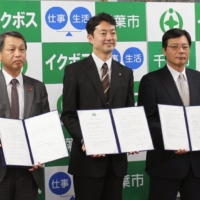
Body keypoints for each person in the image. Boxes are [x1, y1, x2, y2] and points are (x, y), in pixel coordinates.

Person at [61, 12, 135, 200]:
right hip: (87, 163)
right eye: (103, 33)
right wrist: (85, 141)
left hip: (116, 162)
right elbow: (68, 115)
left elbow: (128, 112)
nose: (109, 37)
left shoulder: (125, 72)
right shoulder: (74, 71)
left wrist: (132, 137)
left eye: (113, 32)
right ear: (90, 38)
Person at [138, 28, 200, 200]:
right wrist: (173, 141)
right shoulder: (151, 81)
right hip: (165, 163)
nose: (181, 51)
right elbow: (147, 120)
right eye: (174, 46)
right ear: (164, 50)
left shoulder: (198, 78)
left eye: (185, 47)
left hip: (196, 163)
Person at [0, 31, 50, 200]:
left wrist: (42, 154)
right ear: (0, 54)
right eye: (11, 49)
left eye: (22, 49)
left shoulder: (37, 87)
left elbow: (45, 127)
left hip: (29, 170)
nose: (18, 54)